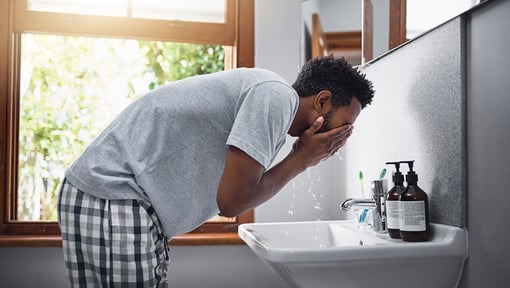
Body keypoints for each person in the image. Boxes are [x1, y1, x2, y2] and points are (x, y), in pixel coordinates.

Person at [57, 55, 374, 287]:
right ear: (322, 101)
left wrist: (299, 156)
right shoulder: (275, 98)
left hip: (121, 200)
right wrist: (301, 159)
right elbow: (232, 202)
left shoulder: (272, 104)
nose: (344, 136)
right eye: (347, 124)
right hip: (113, 193)